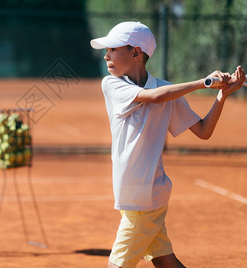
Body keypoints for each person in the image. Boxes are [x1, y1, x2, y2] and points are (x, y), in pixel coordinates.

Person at [90, 21, 245, 268]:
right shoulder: (112, 84)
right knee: (165, 262)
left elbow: (204, 131)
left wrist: (221, 95)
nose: (106, 54)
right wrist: (203, 82)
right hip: (133, 196)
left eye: (112, 49)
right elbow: (154, 97)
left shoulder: (169, 91)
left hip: (146, 198)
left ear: (136, 53)